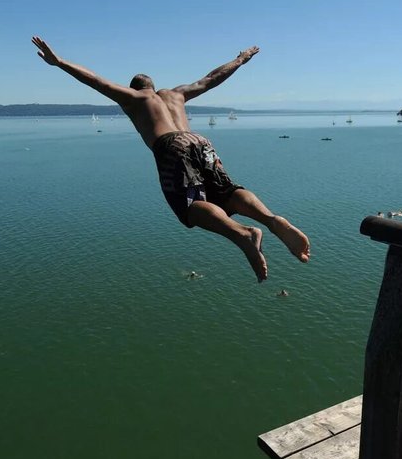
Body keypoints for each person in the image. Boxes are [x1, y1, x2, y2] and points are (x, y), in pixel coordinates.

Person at [31, 36, 310, 282]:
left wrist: (60, 62)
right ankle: (271, 220)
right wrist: (241, 58)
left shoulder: (133, 98)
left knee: (192, 206)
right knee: (227, 192)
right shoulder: (176, 94)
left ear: (137, 88)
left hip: (171, 146)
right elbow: (211, 78)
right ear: (155, 86)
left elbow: (96, 80)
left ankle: (243, 235)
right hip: (200, 141)